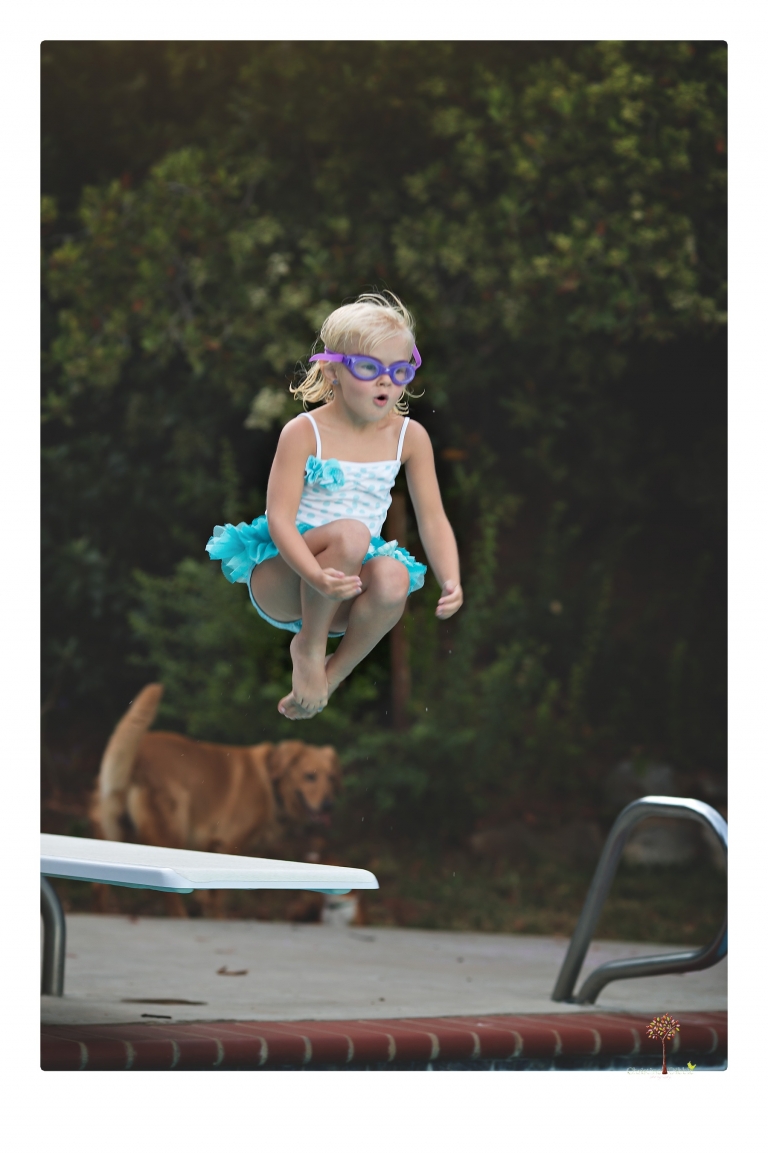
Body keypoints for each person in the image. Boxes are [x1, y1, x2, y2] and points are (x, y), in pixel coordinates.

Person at [207, 292, 463, 720]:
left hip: (345, 595)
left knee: (395, 574)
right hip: (288, 577)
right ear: (333, 371)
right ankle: (307, 645)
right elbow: (278, 519)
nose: (386, 382)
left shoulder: (409, 437)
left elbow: (433, 517)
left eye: (398, 371)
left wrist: (450, 577)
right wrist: (315, 575)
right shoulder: (304, 431)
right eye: (369, 369)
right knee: (351, 534)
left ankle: (329, 677)